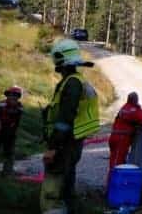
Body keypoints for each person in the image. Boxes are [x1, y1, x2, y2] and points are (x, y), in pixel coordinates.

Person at [41, 39, 100, 214]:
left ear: (60, 59)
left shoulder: (72, 83)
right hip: (72, 141)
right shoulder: (76, 80)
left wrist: (53, 147)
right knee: (67, 184)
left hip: (65, 143)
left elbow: (65, 118)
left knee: (54, 188)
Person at [108, 92, 142, 176]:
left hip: (115, 137)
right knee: (117, 164)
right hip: (121, 140)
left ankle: (117, 183)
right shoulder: (132, 110)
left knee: (117, 161)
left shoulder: (125, 107)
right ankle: (113, 185)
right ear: (135, 100)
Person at [0, 86, 23, 175]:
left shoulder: (19, 107)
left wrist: (12, 132)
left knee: (9, 154)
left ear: (18, 97)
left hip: (10, 133)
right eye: (10, 95)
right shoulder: (1, 104)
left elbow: (17, 122)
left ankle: (7, 172)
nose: (12, 97)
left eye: (15, 95)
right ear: (7, 96)